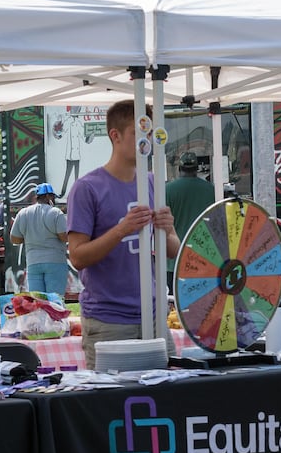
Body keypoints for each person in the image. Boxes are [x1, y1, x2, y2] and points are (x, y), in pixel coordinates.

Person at [67, 99, 180, 367]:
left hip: (154, 316)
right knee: (113, 405)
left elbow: (174, 249)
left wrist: (167, 229)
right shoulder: (87, 188)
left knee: (173, 396)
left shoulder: (153, 183)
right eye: (139, 133)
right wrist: (121, 229)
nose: (147, 141)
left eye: (150, 133)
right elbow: (78, 256)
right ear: (115, 136)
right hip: (109, 321)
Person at [10, 182, 69, 298]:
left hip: (33, 263)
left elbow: (14, 239)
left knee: (39, 301)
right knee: (54, 300)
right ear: (48, 196)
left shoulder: (23, 213)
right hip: (55, 262)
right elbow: (64, 237)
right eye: (52, 196)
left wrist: (30, 237)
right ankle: (55, 317)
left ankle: (42, 317)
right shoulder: (56, 213)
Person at [166, 151, 215, 286]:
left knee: (174, 304)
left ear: (179, 168)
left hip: (174, 260)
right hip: (204, 258)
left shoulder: (168, 190)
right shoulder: (211, 190)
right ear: (197, 169)